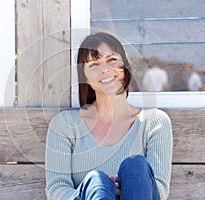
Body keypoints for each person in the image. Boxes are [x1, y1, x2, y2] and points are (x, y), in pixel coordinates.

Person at [45, 32, 173, 200]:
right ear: (85, 77)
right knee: (96, 181)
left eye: (112, 60)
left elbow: (160, 189)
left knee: (136, 166)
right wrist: (98, 191)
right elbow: (56, 188)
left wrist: (123, 188)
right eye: (94, 64)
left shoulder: (154, 122)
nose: (105, 70)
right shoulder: (64, 125)